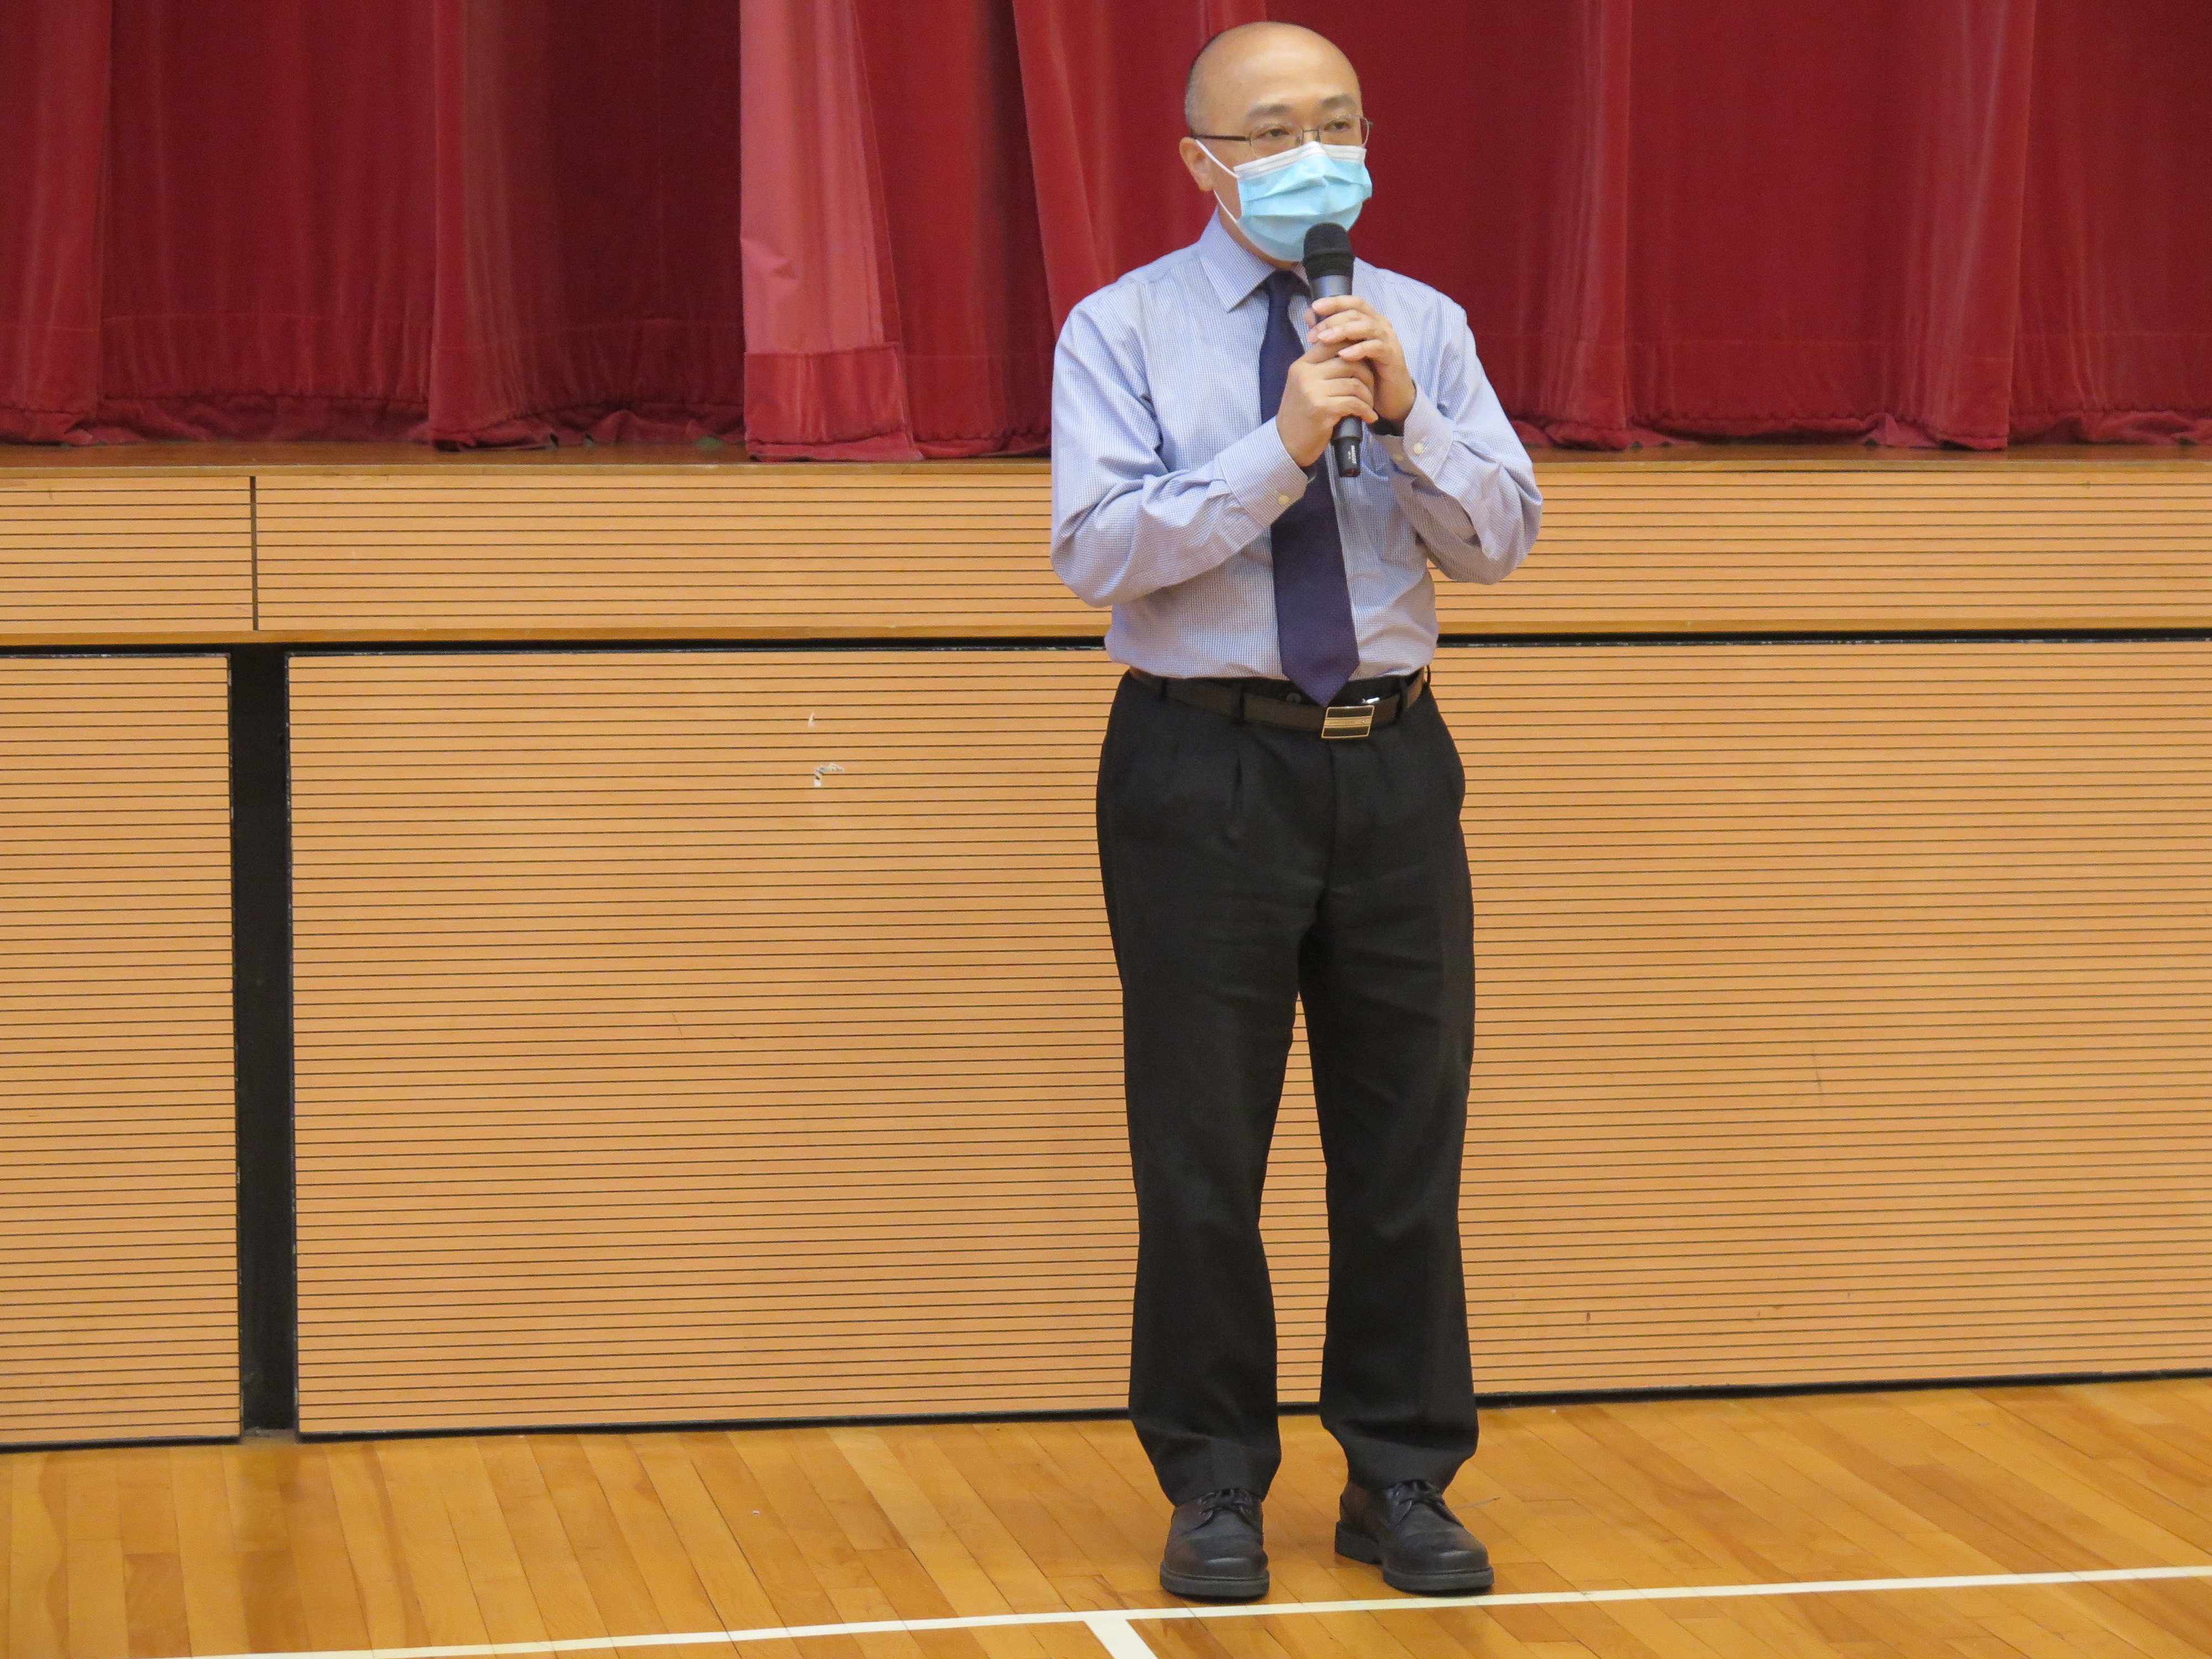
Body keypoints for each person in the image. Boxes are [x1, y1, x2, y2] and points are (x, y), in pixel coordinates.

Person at [1048, 21, 1541, 1603]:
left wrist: (1409, 420)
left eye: (1337, 121)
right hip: (1203, 765)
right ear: (1202, 161)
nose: (1310, 152)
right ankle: (1213, 1484)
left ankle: (1401, 1476)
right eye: (1270, 131)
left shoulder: (1423, 323)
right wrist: (1281, 447)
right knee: (1202, 1149)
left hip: (1392, 761)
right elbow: (1099, 551)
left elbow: (1503, 541)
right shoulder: (1120, 329)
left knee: (1406, 1139)